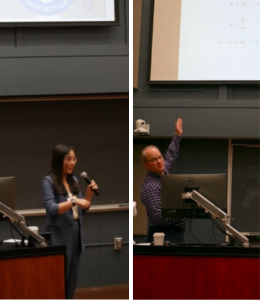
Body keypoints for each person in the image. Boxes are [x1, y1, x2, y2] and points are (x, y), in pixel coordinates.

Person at [41, 143, 98, 299]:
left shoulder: (73, 180)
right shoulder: (48, 181)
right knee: (59, 277)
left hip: (76, 232)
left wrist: (88, 195)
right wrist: (74, 201)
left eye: (74, 159)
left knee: (72, 278)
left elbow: (82, 208)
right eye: (68, 159)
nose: (72, 162)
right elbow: (52, 208)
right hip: (59, 234)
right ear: (58, 160)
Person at [140, 118, 186, 244]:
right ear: (146, 165)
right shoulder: (151, 187)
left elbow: (170, 155)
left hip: (174, 232)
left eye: (160, 157)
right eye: (154, 159)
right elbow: (158, 217)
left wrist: (177, 134)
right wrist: (183, 213)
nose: (160, 161)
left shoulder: (163, 172)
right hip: (162, 235)